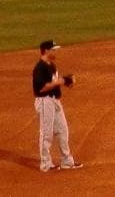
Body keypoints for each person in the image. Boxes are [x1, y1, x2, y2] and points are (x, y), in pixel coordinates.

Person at [32, 39, 79, 171]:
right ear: (46, 51)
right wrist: (61, 81)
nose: (55, 52)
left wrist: (66, 82)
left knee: (63, 130)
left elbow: (54, 82)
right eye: (53, 49)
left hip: (55, 101)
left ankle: (67, 161)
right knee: (46, 133)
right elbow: (41, 88)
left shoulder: (52, 65)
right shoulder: (40, 68)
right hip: (45, 101)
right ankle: (46, 164)